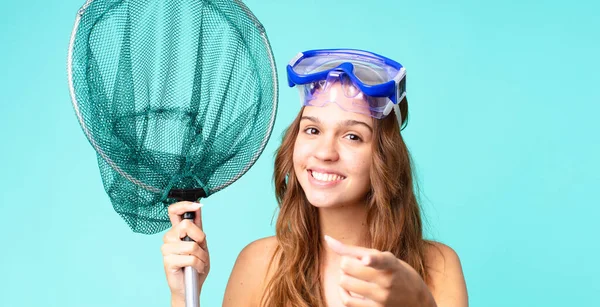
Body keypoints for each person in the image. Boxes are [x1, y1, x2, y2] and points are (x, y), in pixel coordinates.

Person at [162, 49, 468, 307]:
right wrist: (183, 294)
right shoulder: (259, 264)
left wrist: (419, 302)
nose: (324, 152)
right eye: (312, 130)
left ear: (385, 157)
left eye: (352, 136)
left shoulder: (437, 267)